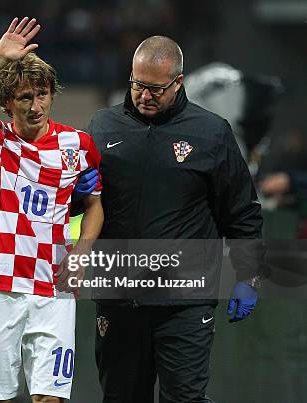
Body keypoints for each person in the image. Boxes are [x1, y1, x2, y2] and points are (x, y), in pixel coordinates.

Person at [73, 36, 265, 402]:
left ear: (178, 82)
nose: (144, 95)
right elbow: (82, 204)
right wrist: (75, 193)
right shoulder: (102, 126)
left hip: (186, 302)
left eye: (155, 89)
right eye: (137, 85)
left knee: (184, 398)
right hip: (119, 298)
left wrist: (249, 277)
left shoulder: (211, 133)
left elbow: (242, 213)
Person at [0, 17, 104, 403]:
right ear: (6, 103)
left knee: (51, 396)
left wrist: (81, 254)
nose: (37, 106)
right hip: (0, 283)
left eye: (43, 95)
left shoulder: (78, 144)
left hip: (55, 285)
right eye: (25, 98)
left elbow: (96, 207)